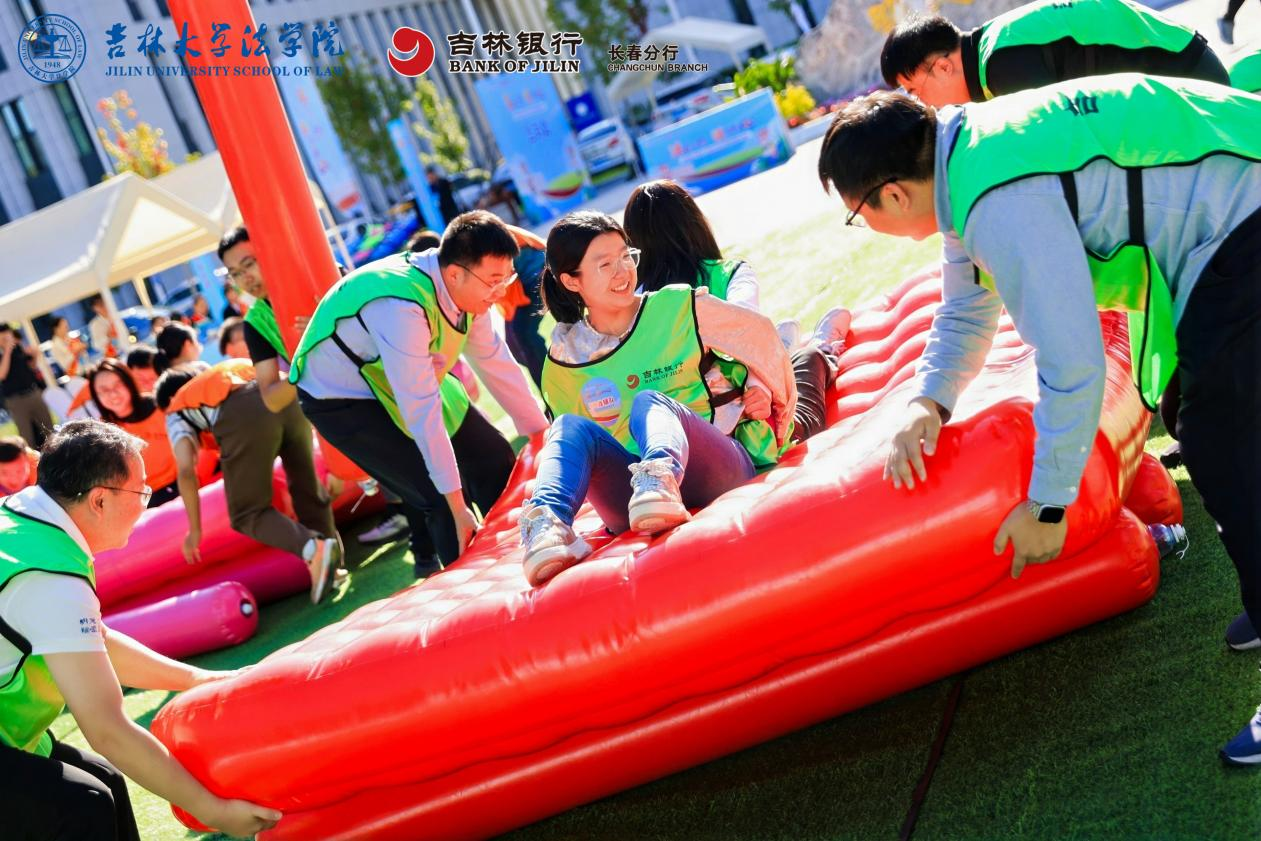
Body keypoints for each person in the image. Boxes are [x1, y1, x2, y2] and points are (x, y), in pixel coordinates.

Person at [815, 77, 1261, 761]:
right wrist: (928, 400)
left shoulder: (995, 197)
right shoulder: (968, 160)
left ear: (892, 195)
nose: (865, 226)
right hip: (1232, 210)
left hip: (1242, 218)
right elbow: (967, 307)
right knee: (1196, 416)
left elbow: (1071, 358)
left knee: (1225, 443)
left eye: (856, 214)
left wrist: (1048, 504)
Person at [0, 419, 282, 839]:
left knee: (105, 782)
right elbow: (106, 729)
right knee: (83, 804)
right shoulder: (49, 579)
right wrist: (212, 809)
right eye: (140, 492)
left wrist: (196, 679)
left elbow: (93, 641)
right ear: (99, 500)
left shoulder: (27, 515)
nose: (145, 505)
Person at [520, 211, 796, 586]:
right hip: (632, 499)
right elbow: (575, 453)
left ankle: (660, 475)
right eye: (605, 264)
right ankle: (547, 525)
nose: (623, 271)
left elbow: (759, 335)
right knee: (568, 427)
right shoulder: (564, 359)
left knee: (650, 401)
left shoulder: (677, 307)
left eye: (625, 256)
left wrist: (766, 396)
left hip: (714, 468)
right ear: (571, 280)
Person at [290, 210, 549, 570]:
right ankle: (468, 583)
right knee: (439, 498)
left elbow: (496, 362)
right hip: (342, 398)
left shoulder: (469, 293)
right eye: (493, 281)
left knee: (493, 456)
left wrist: (541, 437)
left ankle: (525, 553)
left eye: (507, 279)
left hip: (405, 376)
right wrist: (458, 507)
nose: (500, 292)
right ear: (455, 274)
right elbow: (421, 408)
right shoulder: (400, 306)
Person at [218, 225, 411, 550]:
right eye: (235, 273)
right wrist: (307, 356)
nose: (245, 278)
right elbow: (272, 397)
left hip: (396, 389)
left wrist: (330, 327)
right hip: (345, 412)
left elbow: (380, 325)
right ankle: (406, 523)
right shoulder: (256, 323)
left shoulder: (323, 273)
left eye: (248, 264)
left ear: (268, 253)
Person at [623, 179, 852, 444]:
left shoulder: (630, 301)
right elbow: (748, 329)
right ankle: (821, 349)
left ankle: (784, 345)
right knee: (808, 359)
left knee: (770, 350)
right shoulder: (730, 273)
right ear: (694, 225)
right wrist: (759, 386)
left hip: (678, 428)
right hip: (743, 423)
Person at [155, 360, 342, 604]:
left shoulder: (177, 408)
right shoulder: (222, 373)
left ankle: (313, 548)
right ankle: (332, 567)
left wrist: (195, 529)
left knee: (246, 513)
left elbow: (186, 470)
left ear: (169, 399)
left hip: (244, 413)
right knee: (306, 486)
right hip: (285, 395)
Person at [880, 0, 1229, 107]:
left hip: (1191, 79)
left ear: (943, 67)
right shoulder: (993, 49)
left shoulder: (1003, 64)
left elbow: (1059, 144)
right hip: (1183, 66)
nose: (924, 104)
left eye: (915, 91)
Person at [86, 359, 181, 508]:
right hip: (146, 501)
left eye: (118, 385)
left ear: (129, 383)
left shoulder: (159, 405)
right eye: (104, 390)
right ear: (96, 397)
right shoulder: (102, 433)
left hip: (184, 482)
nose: (113, 394)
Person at [0, 324, 54, 450]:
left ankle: (57, 454)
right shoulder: (4, 353)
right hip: (16, 400)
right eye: (4, 338)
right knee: (27, 436)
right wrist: (7, 350)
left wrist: (34, 356)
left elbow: (31, 368)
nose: (8, 339)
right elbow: (2, 375)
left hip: (33, 393)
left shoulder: (18, 349)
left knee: (49, 429)